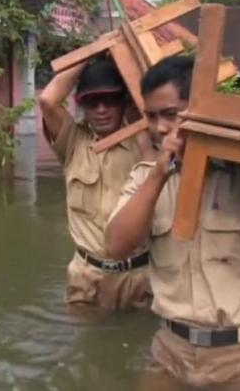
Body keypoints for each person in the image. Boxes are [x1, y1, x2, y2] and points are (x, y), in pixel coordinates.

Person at [105, 55, 240, 388]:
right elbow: (116, 248)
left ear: (202, 110)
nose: (160, 128)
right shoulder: (147, 178)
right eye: (151, 116)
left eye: (171, 114)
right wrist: (160, 173)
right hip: (170, 350)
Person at [38, 56, 153, 311]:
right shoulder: (72, 142)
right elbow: (47, 100)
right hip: (87, 277)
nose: (101, 109)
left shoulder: (145, 141)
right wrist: (92, 51)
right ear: (82, 106)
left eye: (110, 100)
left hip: (140, 276)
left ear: (124, 102)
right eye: (92, 102)